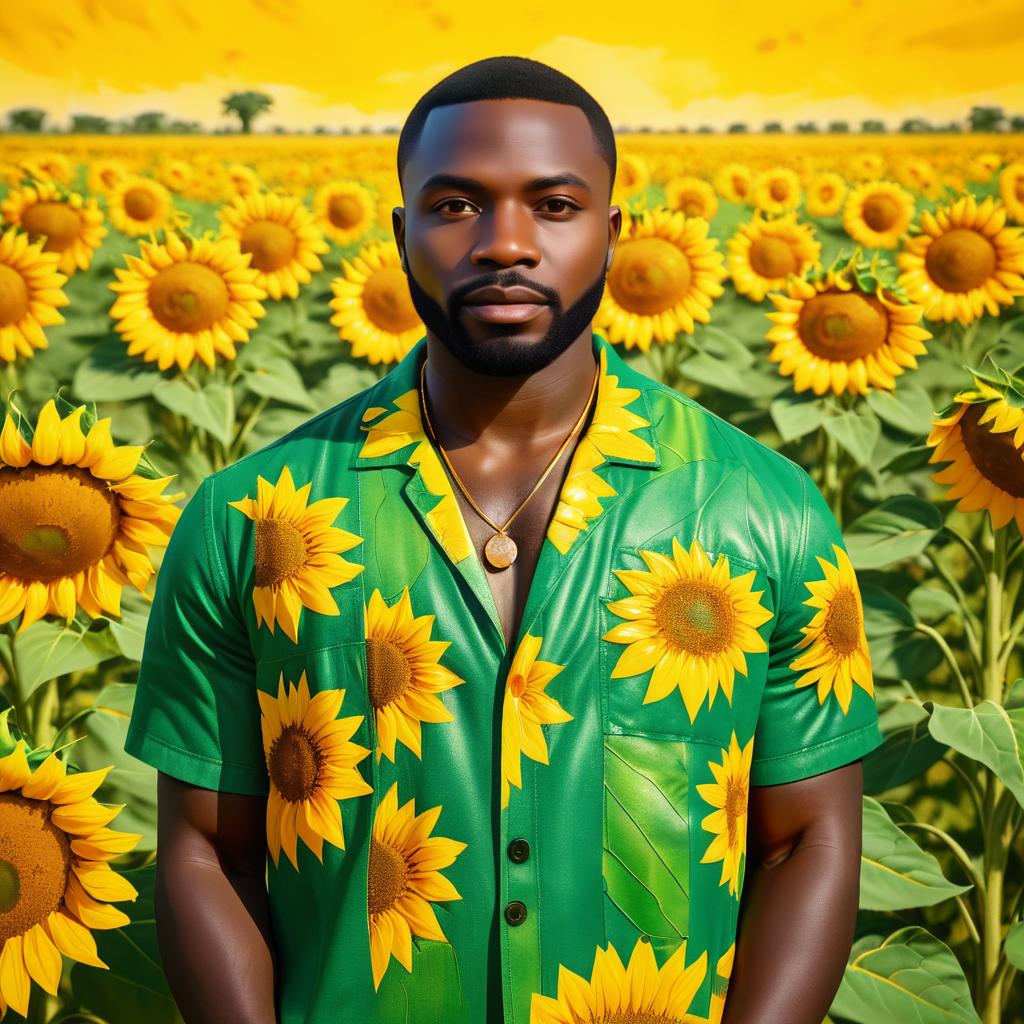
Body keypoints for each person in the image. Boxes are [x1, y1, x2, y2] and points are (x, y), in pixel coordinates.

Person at [124, 55, 885, 1024]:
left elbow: (807, 839)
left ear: (611, 235)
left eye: (554, 205)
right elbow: (205, 849)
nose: (504, 244)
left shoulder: (761, 509)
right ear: (402, 235)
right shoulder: (251, 518)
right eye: (455, 205)